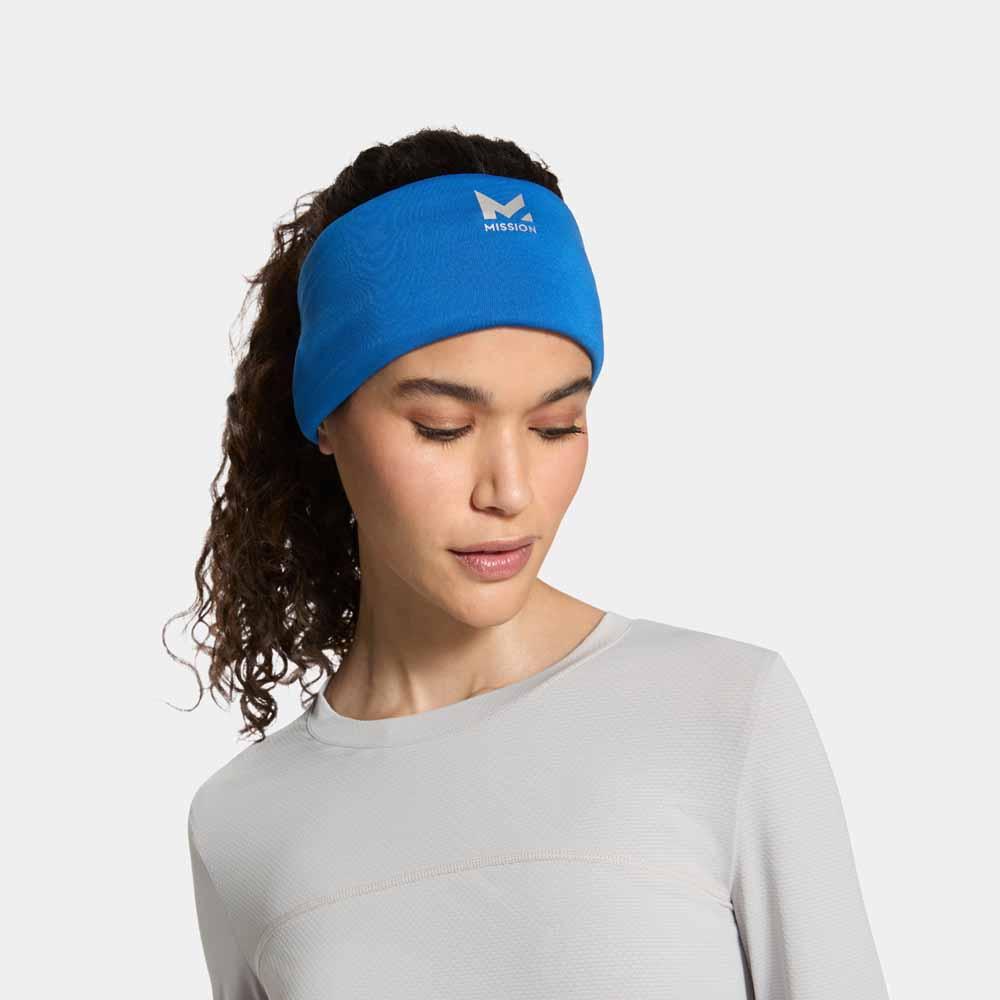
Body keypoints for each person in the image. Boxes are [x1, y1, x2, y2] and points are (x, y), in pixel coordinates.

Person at [173, 127, 889, 998]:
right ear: (327, 416)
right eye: (443, 427)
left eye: (555, 427)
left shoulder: (725, 713)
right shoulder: (242, 825)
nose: (510, 491)